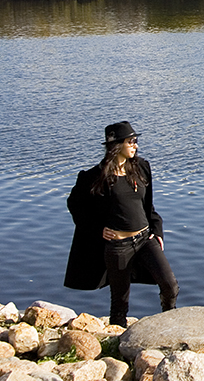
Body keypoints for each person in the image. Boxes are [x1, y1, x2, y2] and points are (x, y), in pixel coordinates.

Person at [64, 121, 178, 327]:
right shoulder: (94, 176)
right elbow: (75, 205)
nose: (136, 145)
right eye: (131, 142)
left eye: (136, 141)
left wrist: (157, 230)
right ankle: (116, 342)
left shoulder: (142, 167)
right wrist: (97, 229)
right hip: (118, 247)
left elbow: (148, 205)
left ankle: (169, 324)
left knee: (170, 285)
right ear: (117, 145)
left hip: (145, 239)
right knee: (119, 303)